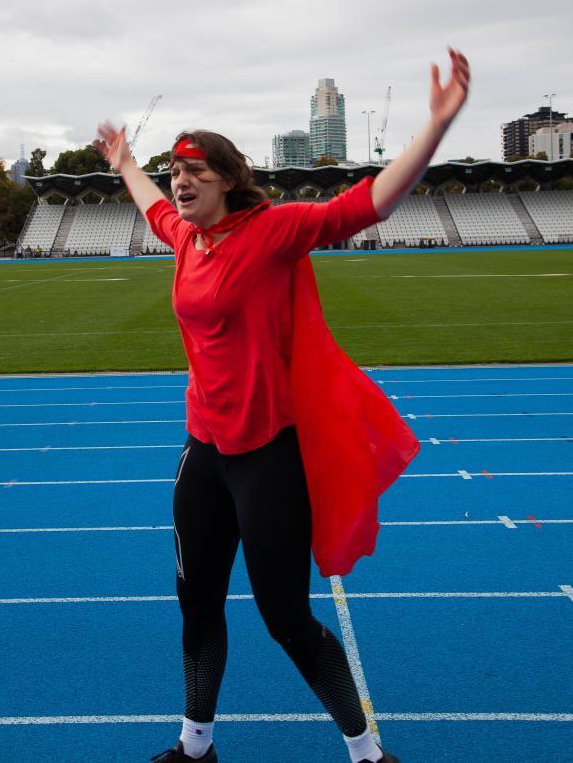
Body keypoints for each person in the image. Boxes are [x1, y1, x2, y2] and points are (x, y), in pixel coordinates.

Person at [96, 48, 470, 763]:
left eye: (194, 172)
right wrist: (124, 162)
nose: (180, 183)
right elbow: (151, 204)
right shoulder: (186, 238)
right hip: (204, 452)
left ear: (228, 181)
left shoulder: (272, 232)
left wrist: (437, 125)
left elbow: (367, 205)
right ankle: (196, 745)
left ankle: (366, 752)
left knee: (287, 618)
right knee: (197, 603)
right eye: (175, 172)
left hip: (267, 457)